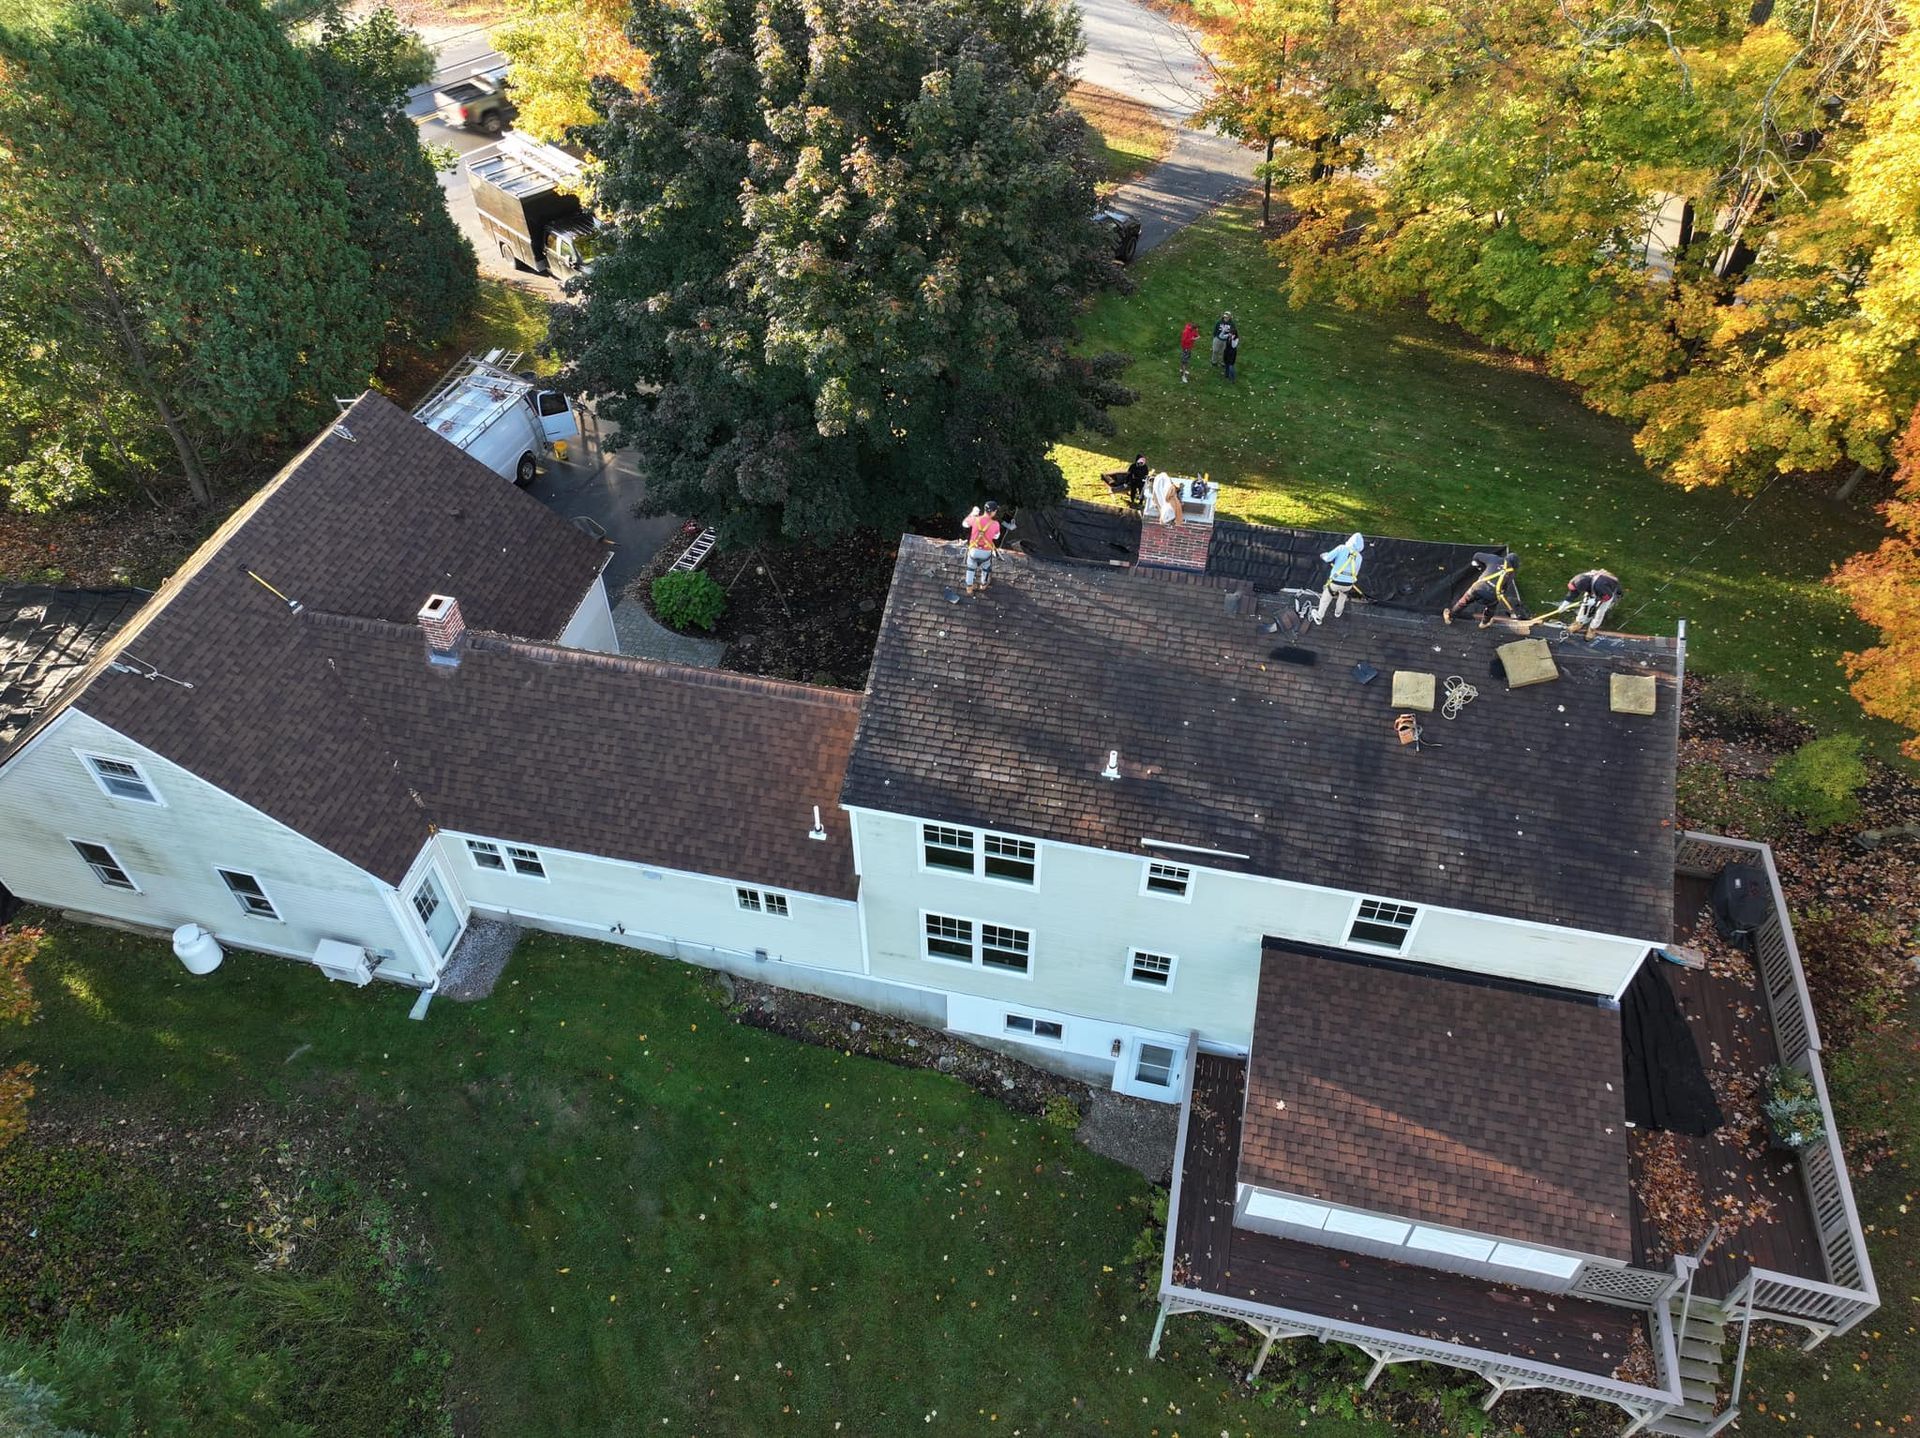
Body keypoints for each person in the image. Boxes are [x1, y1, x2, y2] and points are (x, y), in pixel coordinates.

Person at [1443, 551, 1521, 628]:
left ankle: (1450, 617)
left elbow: (1477, 555)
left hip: (1478, 588)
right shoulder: (1511, 574)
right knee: (1492, 606)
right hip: (1492, 594)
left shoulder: (1495, 559)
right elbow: (1504, 589)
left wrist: (1481, 567)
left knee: (1464, 601)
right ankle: (1484, 623)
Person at [1313, 533, 1365, 623]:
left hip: (1335, 581)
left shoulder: (1341, 548)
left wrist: (1324, 556)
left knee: (1326, 598)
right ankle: (1338, 612)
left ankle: (1319, 616)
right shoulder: (1359, 557)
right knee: (1342, 597)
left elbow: (1328, 558)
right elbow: (1356, 572)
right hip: (1348, 584)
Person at [1565, 568, 1622, 637]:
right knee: (1584, 605)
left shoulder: (1600, 585)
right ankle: (1579, 622)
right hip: (1594, 588)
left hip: (1607, 593)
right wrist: (1567, 601)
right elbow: (1574, 591)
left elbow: (1607, 597)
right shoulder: (1577, 580)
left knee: (1600, 612)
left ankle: (1592, 628)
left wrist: (1596, 600)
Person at [962, 501, 1003, 594]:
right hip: (986, 552)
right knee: (986, 568)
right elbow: (996, 536)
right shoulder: (995, 524)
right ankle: (983, 584)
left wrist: (972, 514)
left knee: (971, 568)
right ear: (993, 512)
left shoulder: (975, 519)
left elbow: (964, 524)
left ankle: (969, 587)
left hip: (973, 551)